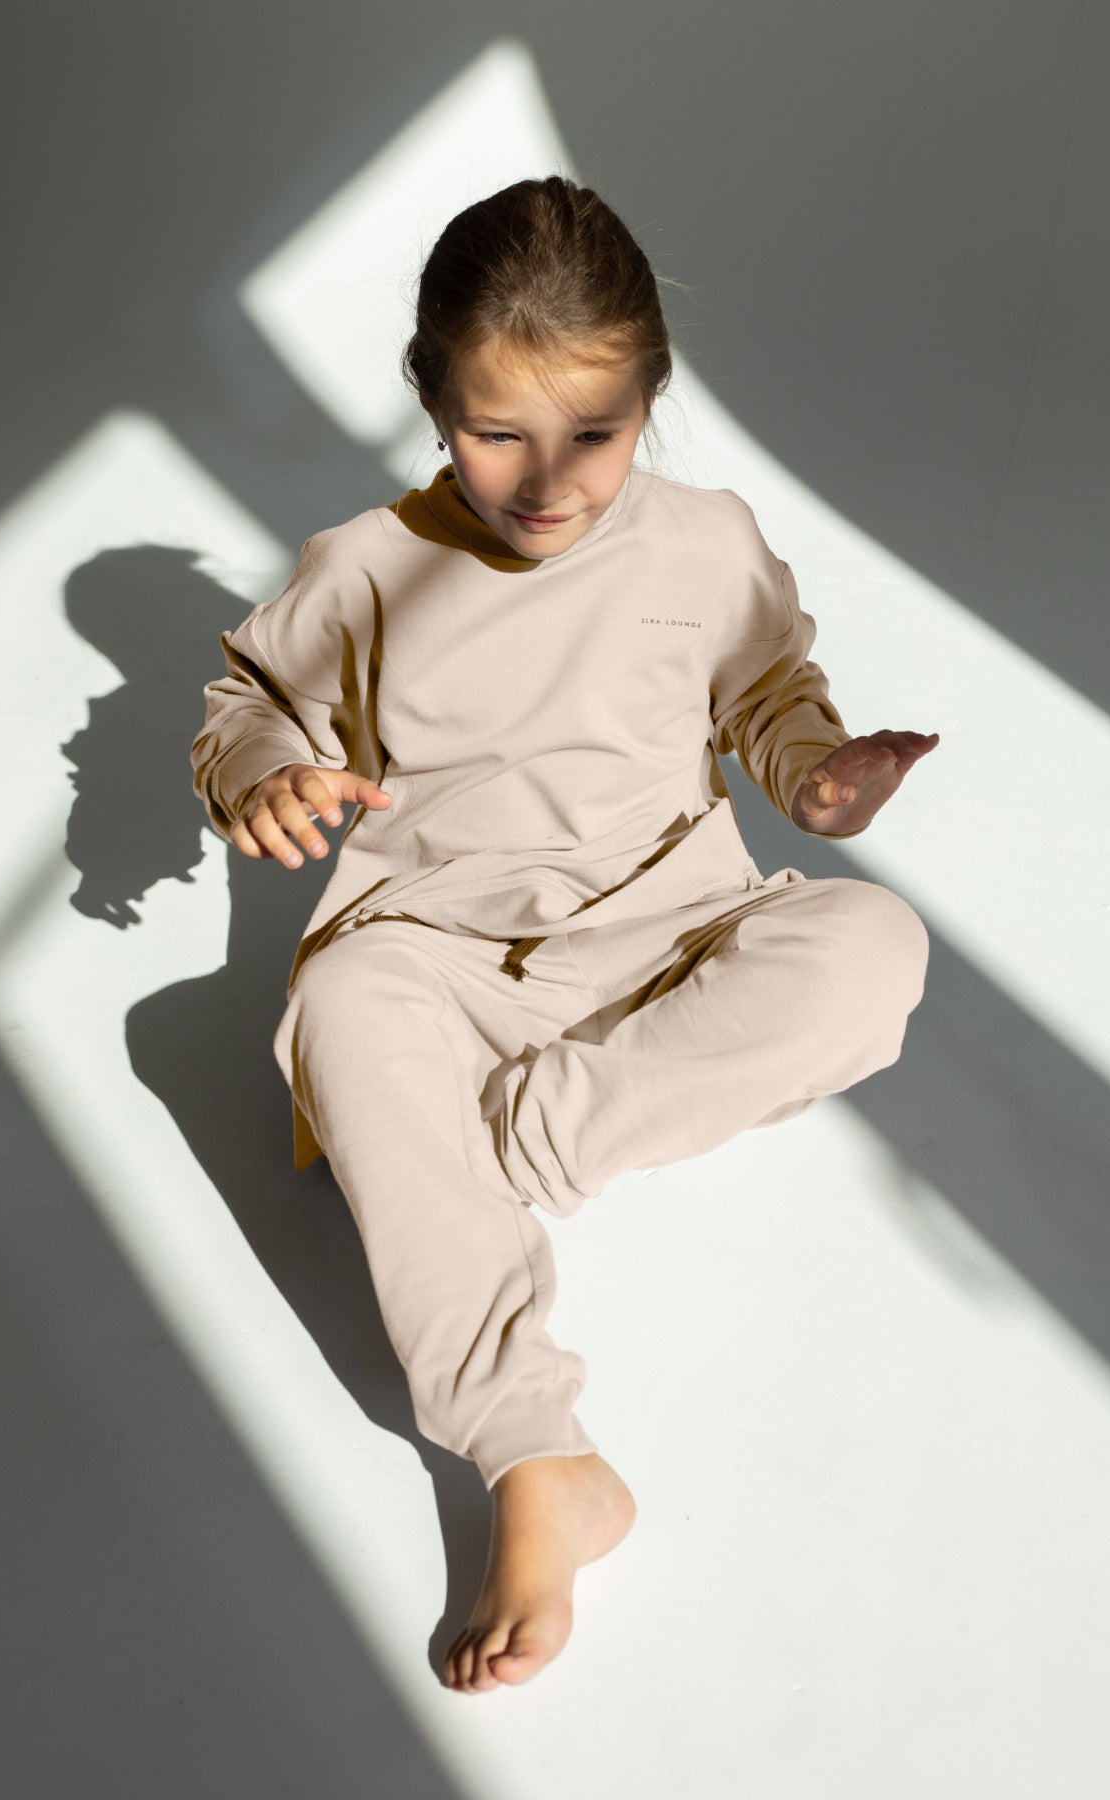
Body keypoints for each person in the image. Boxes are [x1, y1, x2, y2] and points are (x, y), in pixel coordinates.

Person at [190, 174, 939, 1696]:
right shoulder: (365, 568)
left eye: (594, 435)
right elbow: (249, 704)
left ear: (651, 398)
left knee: (872, 949)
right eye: (496, 433)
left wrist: (817, 776)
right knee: (342, 1004)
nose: (546, 484)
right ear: (429, 396)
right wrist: (262, 776)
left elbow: (768, 693)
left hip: (671, 927)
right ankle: (537, 1459)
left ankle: (468, 1160)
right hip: (441, 943)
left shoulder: (706, 543)